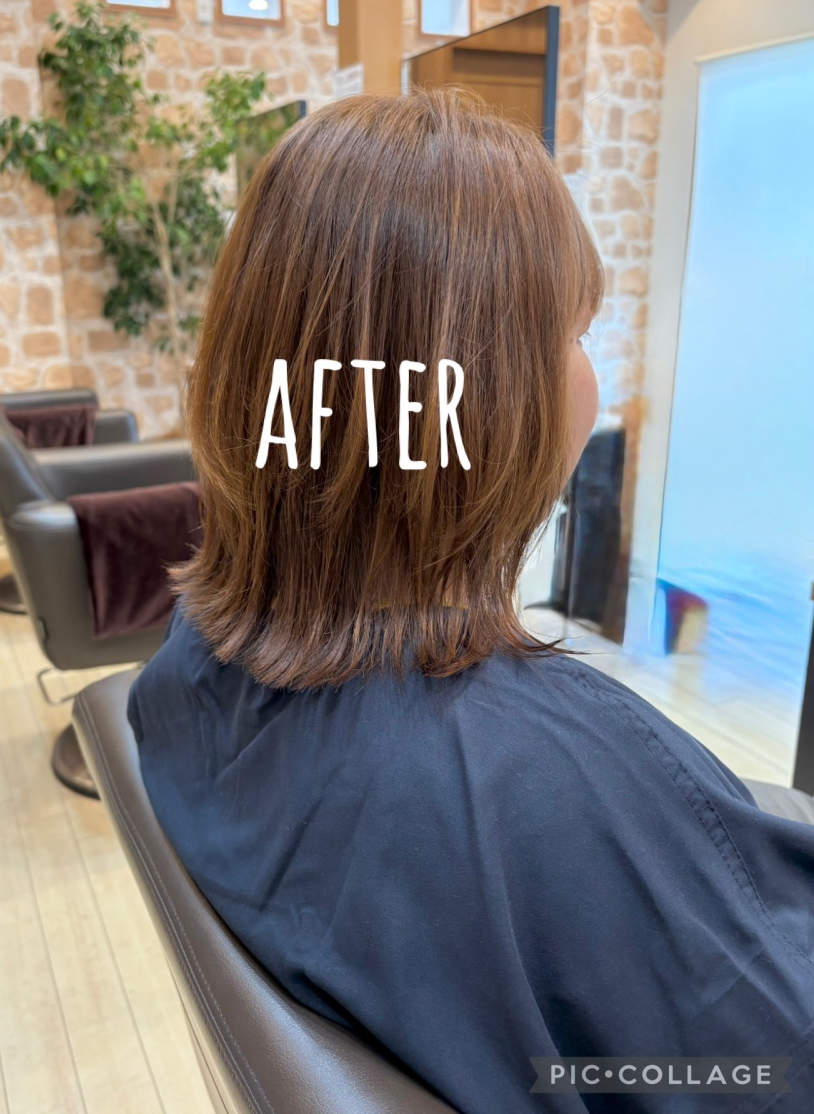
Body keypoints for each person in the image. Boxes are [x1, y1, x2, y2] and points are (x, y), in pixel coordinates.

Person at [128, 91, 814, 1113]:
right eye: (578, 331)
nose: (592, 376)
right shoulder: (550, 793)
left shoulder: (182, 669)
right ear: (485, 403)